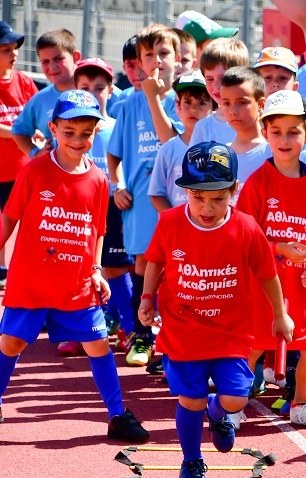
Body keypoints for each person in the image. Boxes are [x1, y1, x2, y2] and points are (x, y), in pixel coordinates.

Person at [139, 142, 292, 478]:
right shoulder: (170, 222)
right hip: (184, 330)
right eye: (198, 197)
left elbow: (269, 274)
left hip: (231, 332)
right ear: (185, 192)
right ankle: (192, 462)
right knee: (189, 399)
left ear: (233, 190)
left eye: (218, 198)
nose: (207, 207)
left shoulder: (248, 228)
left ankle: (218, 413)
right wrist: (148, 297)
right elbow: (156, 262)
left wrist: (280, 315)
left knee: (238, 398)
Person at [0, 89, 150, 441]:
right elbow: (9, 218)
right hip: (30, 283)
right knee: (12, 344)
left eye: (86, 133)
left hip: (77, 284)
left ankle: (117, 415)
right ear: (53, 129)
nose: (78, 140)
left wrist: (96, 269)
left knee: (98, 345)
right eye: (69, 132)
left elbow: (96, 230)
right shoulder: (35, 171)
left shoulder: (99, 179)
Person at [239, 90, 306, 430]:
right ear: (265, 133)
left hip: (305, 287)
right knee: (252, 347)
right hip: (265, 290)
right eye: (276, 131)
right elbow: (245, 239)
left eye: (293, 131)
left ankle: (301, 404)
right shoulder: (257, 184)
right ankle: (233, 406)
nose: (285, 139)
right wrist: (280, 248)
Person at [107, 23, 183, 369]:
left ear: (177, 59)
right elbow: (115, 153)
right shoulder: (130, 104)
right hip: (139, 201)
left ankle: (172, 340)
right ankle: (142, 335)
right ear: (138, 63)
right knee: (142, 264)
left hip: (177, 200)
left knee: (176, 267)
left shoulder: (186, 99)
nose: (156, 61)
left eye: (163, 53)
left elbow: (171, 141)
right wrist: (117, 184)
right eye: (148, 55)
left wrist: (156, 97)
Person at [66, 58, 134, 357]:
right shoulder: (68, 129)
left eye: (99, 87)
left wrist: (120, 188)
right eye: (85, 87)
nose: (93, 93)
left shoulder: (115, 127)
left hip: (112, 206)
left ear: (110, 90)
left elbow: (125, 163)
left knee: (114, 266)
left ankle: (131, 327)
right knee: (81, 268)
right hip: (78, 208)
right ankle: (85, 327)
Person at [0, 21, 35, 289]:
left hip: (22, 170)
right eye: (5, 49)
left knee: (24, 224)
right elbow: (16, 128)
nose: (13, 54)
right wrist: (18, 132)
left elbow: (35, 118)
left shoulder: (24, 81)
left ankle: (18, 271)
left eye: (15, 48)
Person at [149, 72, 215, 212]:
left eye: (202, 103)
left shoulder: (220, 148)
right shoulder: (168, 149)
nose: (193, 109)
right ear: (178, 106)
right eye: (187, 102)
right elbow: (156, 194)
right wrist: (173, 221)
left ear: (214, 108)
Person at [11, 29, 80, 158]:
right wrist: (35, 153)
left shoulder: (97, 89)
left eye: (58, 59)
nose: (52, 66)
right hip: (55, 175)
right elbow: (18, 131)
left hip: (96, 174)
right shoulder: (40, 99)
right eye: (45, 62)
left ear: (75, 57)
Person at [218, 67, 272, 203]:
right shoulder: (218, 156)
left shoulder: (273, 152)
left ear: (261, 104)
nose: (233, 111)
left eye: (241, 102)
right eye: (226, 103)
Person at [188, 38, 250, 147]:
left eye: (223, 78)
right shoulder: (203, 127)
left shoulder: (257, 121)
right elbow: (192, 163)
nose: (216, 87)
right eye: (209, 79)